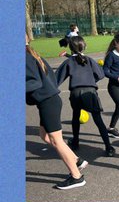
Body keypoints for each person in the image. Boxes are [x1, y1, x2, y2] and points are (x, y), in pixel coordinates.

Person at [26, 36, 86, 190]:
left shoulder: (25, 57)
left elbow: (34, 82)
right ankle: (77, 160)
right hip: (49, 100)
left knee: (56, 140)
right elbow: (50, 77)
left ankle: (76, 176)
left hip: (48, 102)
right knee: (44, 135)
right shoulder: (32, 54)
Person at [55, 38, 113, 158]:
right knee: (98, 120)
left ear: (71, 48)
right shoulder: (89, 60)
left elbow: (56, 79)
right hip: (90, 92)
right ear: (84, 47)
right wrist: (91, 80)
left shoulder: (69, 62)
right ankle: (108, 147)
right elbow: (101, 75)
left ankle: (75, 142)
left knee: (76, 117)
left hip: (75, 93)